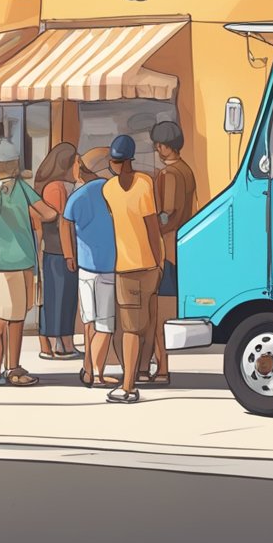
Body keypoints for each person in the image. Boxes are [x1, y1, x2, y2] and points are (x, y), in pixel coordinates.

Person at [0, 141, 58, 386]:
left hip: (1, 262)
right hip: (23, 261)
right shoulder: (21, 189)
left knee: (7, 316)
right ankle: (6, 370)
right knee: (11, 319)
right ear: (16, 164)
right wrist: (30, 213)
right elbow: (49, 214)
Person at [102, 135, 163, 404]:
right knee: (147, 323)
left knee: (129, 329)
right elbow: (152, 228)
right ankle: (146, 371)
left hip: (126, 267)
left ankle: (128, 386)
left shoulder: (109, 190)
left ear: (124, 161)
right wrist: (159, 261)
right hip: (148, 264)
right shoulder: (144, 184)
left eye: (116, 162)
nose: (115, 166)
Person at [136, 121, 197, 385]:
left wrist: (149, 227)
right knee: (159, 314)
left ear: (164, 146)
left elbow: (168, 213)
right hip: (180, 247)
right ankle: (145, 367)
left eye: (158, 144)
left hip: (166, 249)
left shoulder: (168, 174)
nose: (156, 149)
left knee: (158, 315)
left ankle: (161, 369)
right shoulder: (187, 170)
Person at [63, 148, 120, 387]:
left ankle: (89, 369)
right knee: (105, 324)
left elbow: (64, 224)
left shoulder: (77, 196)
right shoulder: (112, 192)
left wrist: (69, 256)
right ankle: (95, 372)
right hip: (109, 264)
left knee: (89, 321)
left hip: (85, 267)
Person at [35, 142, 83, 361]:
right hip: (58, 253)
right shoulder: (56, 188)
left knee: (65, 297)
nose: (78, 167)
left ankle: (64, 342)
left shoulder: (63, 186)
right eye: (76, 162)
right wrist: (69, 254)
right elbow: (63, 224)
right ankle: (57, 344)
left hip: (60, 252)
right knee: (58, 298)